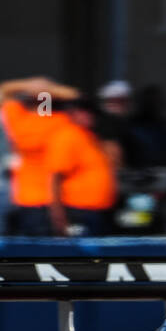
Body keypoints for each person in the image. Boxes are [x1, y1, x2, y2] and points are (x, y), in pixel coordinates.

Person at [0, 76, 79, 236]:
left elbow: (3, 90)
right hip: (54, 198)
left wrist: (29, 86)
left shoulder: (18, 120)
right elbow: (74, 95)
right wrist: (47, 88)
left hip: (26, 197)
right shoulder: (58, 121)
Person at [47, 97, 116, 236]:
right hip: (78, 211)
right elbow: (55, 179)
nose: (89, 115)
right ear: (73, 113)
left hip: (99, 211)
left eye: (91, 112)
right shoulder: (67, 136)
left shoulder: (90, 136)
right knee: (81, 254)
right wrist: (59, 217)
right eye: (84, 111)